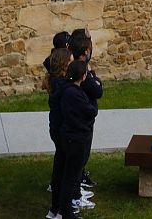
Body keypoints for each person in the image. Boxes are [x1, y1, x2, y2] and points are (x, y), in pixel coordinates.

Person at [59, 60, 98, 219]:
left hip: (71, 136)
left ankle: (65, 209)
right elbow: (91, 111)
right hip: (76, 138)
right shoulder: (74, 93)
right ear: (83, 76)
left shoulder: (68, 90)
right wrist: (93, 102)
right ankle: (66, 213)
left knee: (70, 176)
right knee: (71, 177)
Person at [70, 28, 102, 190]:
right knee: (80, 155)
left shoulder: (75, 65)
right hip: (83, 121)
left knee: (77, 156)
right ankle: (76, 188)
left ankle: (77, 181)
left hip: (80, 120)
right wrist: (94, 76)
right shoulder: (82, 71)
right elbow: (97, 91)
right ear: (84, 52)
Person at [46, 47, 73, 219]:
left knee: (59, 168)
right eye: (70, 62)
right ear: (64, 65)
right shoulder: (63, 85)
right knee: (66, 173)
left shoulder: (55, 82)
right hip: (63, 131)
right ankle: (62, 211)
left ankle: (54, 209)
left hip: (56, 129)